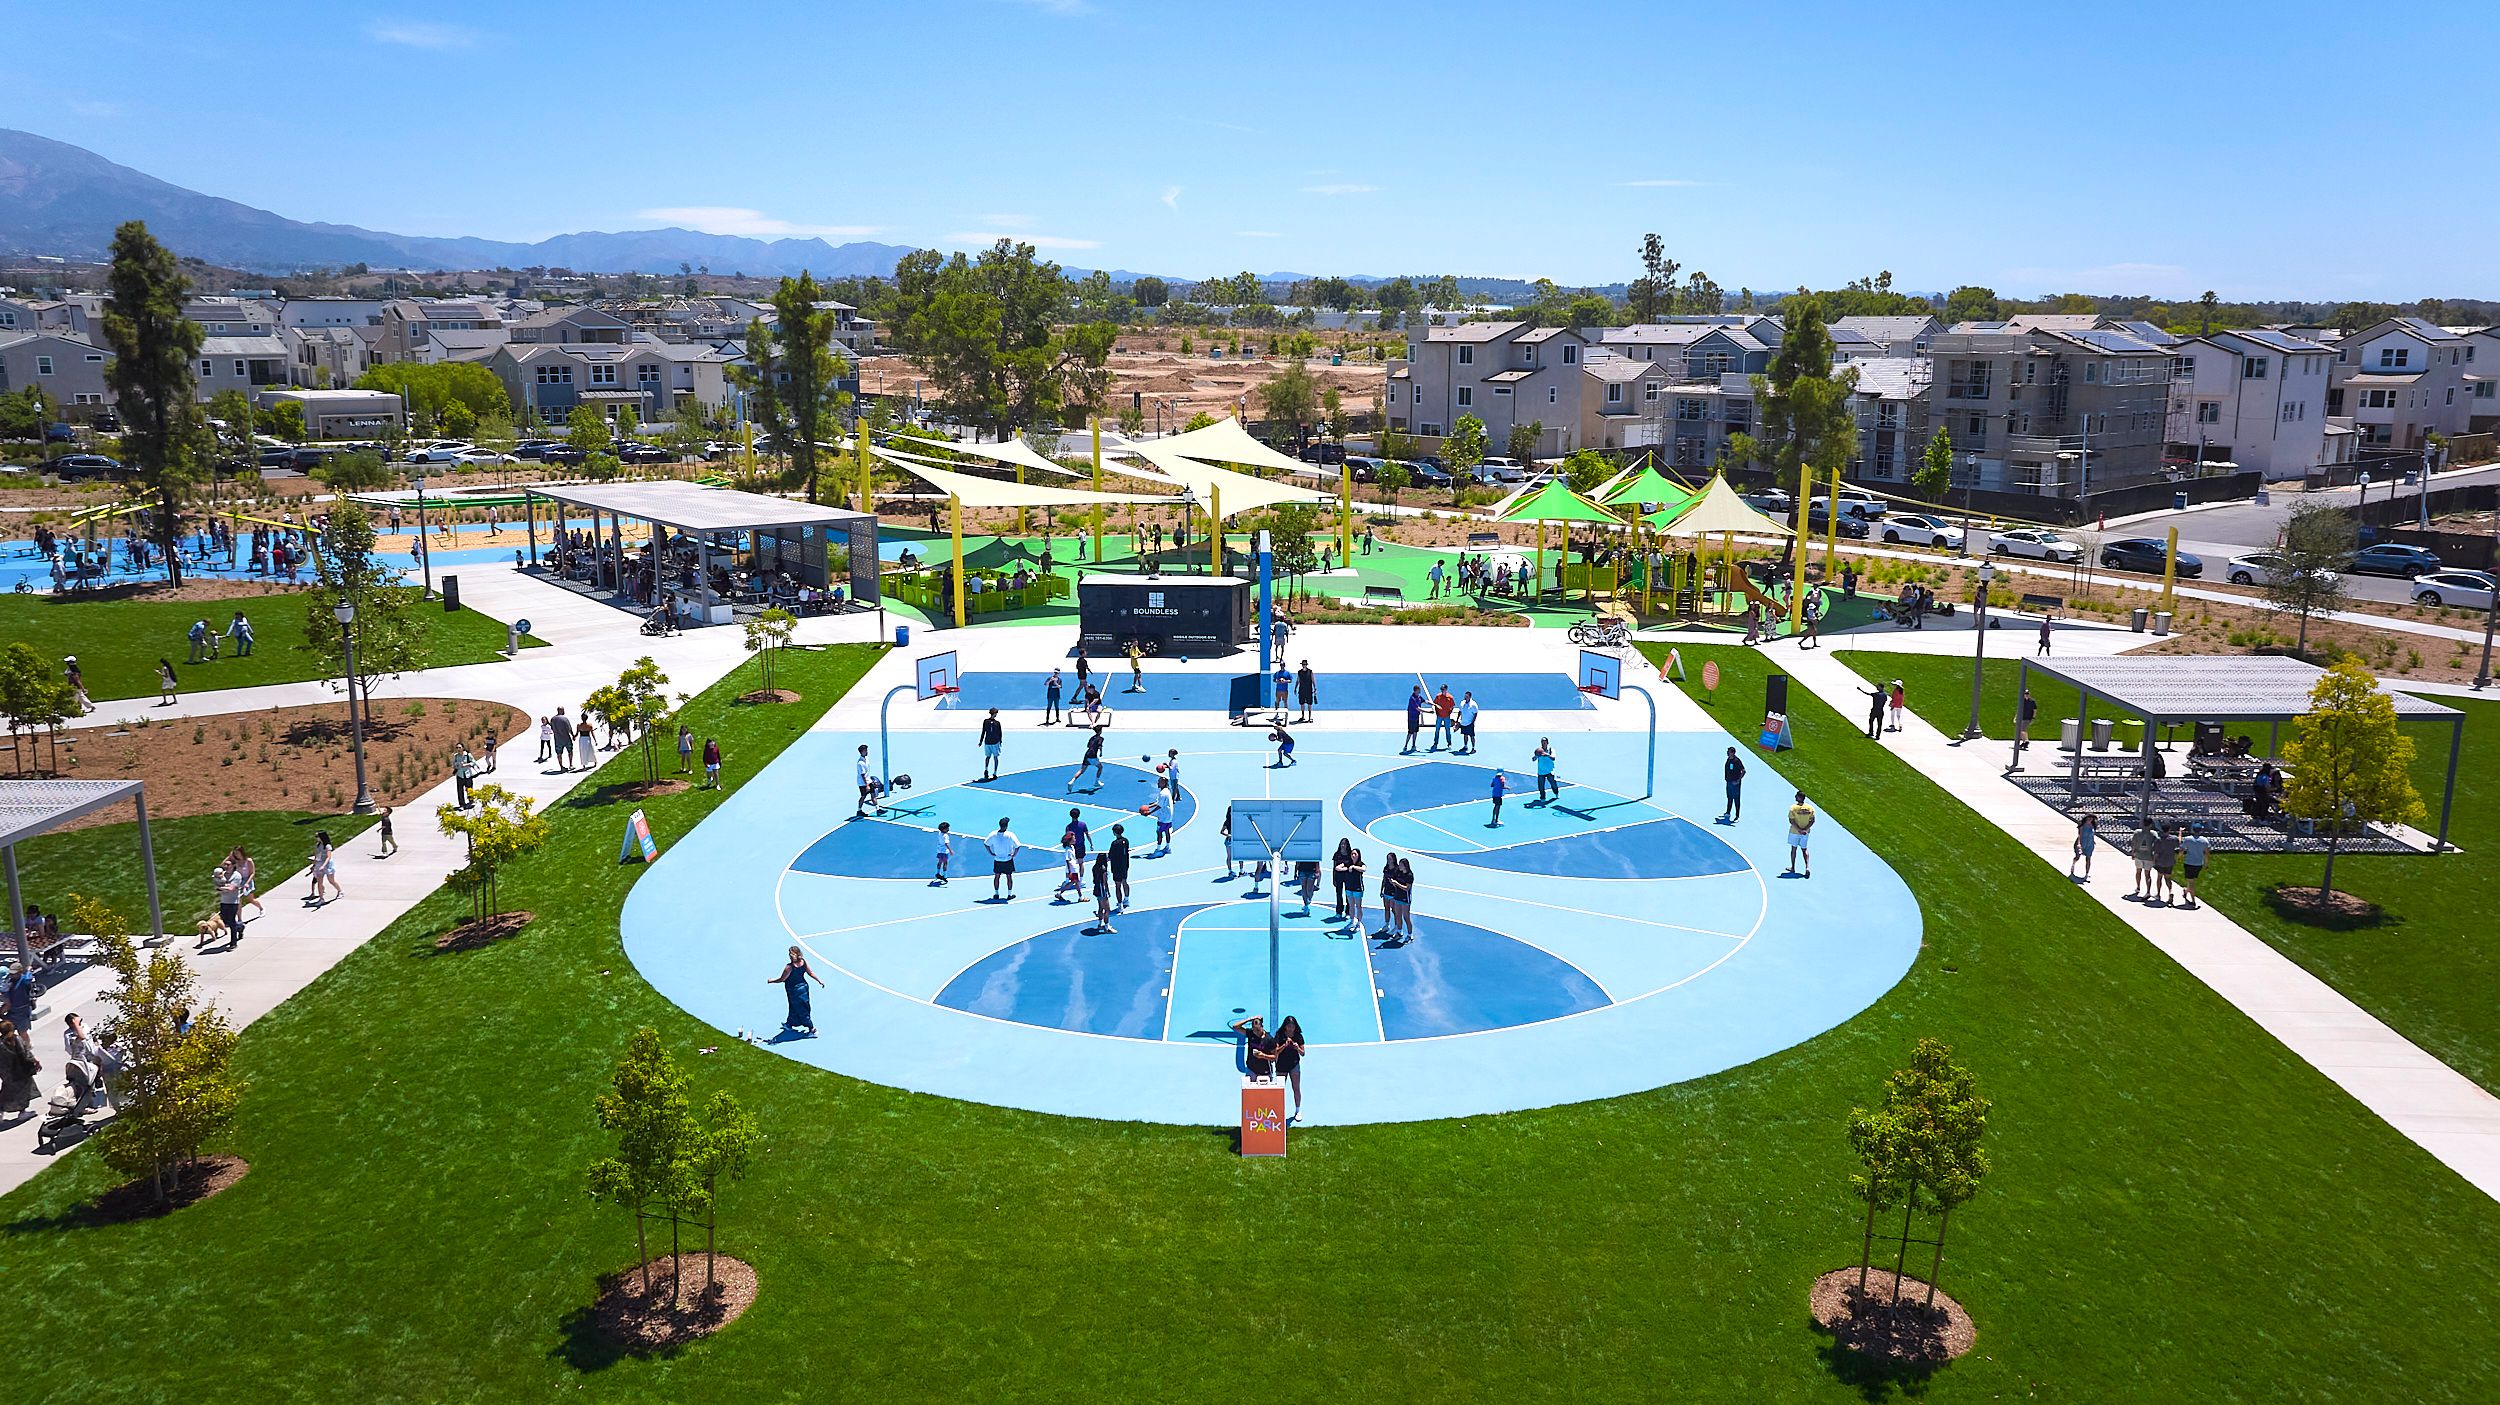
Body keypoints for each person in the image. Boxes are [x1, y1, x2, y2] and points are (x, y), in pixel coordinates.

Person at [769, 945, 823, 1036]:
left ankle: (812, 1029)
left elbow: (782, 979)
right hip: (804, 988)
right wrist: (819, 980)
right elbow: (811, 972)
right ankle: (789, 1024)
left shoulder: (789, 967)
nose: (789, 955)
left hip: (794, 990)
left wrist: (772, 981)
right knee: (794, 1007)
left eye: (791, 954)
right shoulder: (803, 962)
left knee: (802, 1009)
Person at [0, 1019, 39, 1123]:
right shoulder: (17, 1039)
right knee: (24, 1092)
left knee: (6, 1092)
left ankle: (1, 1111)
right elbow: (27, 1054)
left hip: (7, 1073)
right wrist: (36, 1061)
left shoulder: (1, 1044)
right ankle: (22, 1112)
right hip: (22, 1071)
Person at [1270, 1014, 1306, 1118]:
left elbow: (1303, 1053)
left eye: (1293, 1026)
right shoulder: (1280, 1035)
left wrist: (1297, 1047)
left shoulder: (1298, 1036)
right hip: (1281, 1066)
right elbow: (1276, 1052)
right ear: (1285, 1026)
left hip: (1294, 1065)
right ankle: (1277, 1111)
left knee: (1296, 1088)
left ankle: (1298, 1110)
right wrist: (1284, 1045)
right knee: (1280, 1089)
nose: (1291, 1028)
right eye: (1289, 1026)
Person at [986, 819, 1023, 899]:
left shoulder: (993, 834)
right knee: (1009, 877)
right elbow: (1018, 846)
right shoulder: (1010, 835)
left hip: (997, 860)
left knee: (997, 876)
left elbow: (986, 844)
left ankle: (996, 894)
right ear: (1006, 826)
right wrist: (1014, 854)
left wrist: (991, 852)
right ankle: (1009, 895)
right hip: (1008, 860)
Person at [1231, 1016, 1276, 1080]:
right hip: (1251, 1069)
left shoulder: (1269, 1039)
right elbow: (1235, 1027)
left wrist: (1263, 1056)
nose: (1256, 1032)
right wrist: (1249, 1019)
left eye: (1258, 1029)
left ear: (1262, 1027)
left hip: (1264, 1071)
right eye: (1254, 1029)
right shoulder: (1250, 1033)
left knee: (1263, 1090)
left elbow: (1274, 1057)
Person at [1381, 852, 1412, 942]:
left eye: (1401, 865)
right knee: (1398, 915)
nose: (1400, 866)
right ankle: (1399, 932)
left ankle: (1410, 935)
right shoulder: (1398, 873)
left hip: (1405, 898)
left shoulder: (1409, 875)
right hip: (1397, 897)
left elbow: (1407, 888)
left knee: (1406, 917)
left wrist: (1396, 884)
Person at [1785, 790, 1816, 877]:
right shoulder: (1810, 808)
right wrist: (1805, 829)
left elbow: (1791, 821)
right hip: (1805, 833)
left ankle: (1793, 867)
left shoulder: (1793, 808)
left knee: (1794, 849)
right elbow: (1812, 820)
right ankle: (1807, 867)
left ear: (1799, 797)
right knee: (1804, 849)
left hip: (1795, 832)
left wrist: (1799, 829)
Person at [2179, 824, 2210, 908]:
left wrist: (2179, 857)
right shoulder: (2205, 841)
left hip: (2189, 863)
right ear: (2200, 831)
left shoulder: (2188, 839)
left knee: (2191, 882)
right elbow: (2207, 853)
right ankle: (2186, 891)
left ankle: (2193, 901)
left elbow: (2182, 849)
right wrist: (2206, 863)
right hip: (2198, 864)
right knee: (2191, 881)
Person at [307, 829, 340, 904]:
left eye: (317, 836)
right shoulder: (318, 845)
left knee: (331, 881)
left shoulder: (327, 846)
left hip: (327, 864)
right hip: (319, 864)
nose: (316, 838)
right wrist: (314, 865)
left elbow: (328, 857)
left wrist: (323, 866)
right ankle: (321, 899)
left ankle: (340, 891)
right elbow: (317, 856)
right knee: (319, 883)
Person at [1068, 726, 1106, 791]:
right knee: (1100, 767)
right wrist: (1101, 752)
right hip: (1092, 756)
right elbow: (1099, 745)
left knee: (1082, 770)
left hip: (1087, 755)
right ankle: (1096, 782)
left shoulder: (1091, 738)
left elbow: (1088, 746)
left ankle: (1072, 781)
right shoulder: (1101, 738)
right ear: (1100, 731)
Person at [2152, 825, 2181, 906]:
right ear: (2169, 830)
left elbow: (2156, 852)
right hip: (2170, 861)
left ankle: (2158, 894)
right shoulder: (2173, 839)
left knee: (2159, 877)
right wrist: (2180, 832)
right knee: (2168, 878)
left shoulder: (2159, 840)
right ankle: (2170, 891)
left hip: (2160, 861)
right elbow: (2179, 842)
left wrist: (2153, 861)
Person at [2129, 822, 2158, 900]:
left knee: (2138, 871)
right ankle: (2148, 891)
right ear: (2150, 824)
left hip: (2139, 855)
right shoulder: (2153, 833)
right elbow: (2156, 844)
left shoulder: (2137, 832)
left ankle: (2138, 887)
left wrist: (2133, 853)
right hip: (2149, 856)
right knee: (2147, 874)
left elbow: (2133, 843)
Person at [1341, 847, 1367, 933]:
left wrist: (1354, 867)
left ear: (1358, 855)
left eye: (1355, 854)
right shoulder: (1348, 863)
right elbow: (1338, 867)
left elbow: (1364, 869)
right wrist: (1345, 868)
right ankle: (1352, 921)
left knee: (1358, 906)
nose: (1353, 855)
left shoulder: (1360, 864)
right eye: (1352, 854)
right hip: (1349, 887)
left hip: (1358, 888)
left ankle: (1358, 923)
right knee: (1351, 906)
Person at [976, 707, 1005, 781]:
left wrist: (981, 742)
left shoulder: (986, 721)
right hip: (994, 743)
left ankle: (987, 769)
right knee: (995, 757)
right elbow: (1000, 733)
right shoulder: (997, 723)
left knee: (988, 757)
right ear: (995, 714)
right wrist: (1000, 741)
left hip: (988, 743)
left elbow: (983, 732)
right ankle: (994, 773)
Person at [1330, 837, 1355, 920]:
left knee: (1348, 894)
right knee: (1339, 894)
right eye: (1342, 844)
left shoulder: (1350, 855)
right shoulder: (1337, 854)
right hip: (1339, 877)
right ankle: (1339, 912)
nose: (1343, 845)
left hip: (1348, 877)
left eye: (1344, 844)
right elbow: (1334, 867)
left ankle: (1348, 912)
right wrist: (1334, 879)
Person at [1091, 852, 1117, 932]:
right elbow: (1105, 883)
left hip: (1096, 889)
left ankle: (1100, 924)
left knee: (1100, 907)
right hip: (1102, 890)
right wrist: (1108, 892)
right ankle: (1107, 927)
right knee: (1107, 909)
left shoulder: (1094, 867)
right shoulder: (1103, 869)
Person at [1108, 824, 1132, 909]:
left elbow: (1110, 856)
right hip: (1124, 865)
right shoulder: (1126, 841)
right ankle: (1127, 899)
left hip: (1116, 867)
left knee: (1118, 886)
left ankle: (1120, 904)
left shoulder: (1114, 844)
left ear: (1114, 832)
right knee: (1124, 882)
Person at [1721, 746, 1746, 823]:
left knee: (1736, 799)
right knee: (1729, 797)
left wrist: (1738, 780)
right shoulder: (1729, 759)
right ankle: (1728, 812)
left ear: (1732, 753)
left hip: (1735, 783)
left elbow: (1743, 771)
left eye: (1728, 752)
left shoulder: (1737, 761)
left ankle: (1737, 816)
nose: (1727, 753)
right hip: (1729, 782)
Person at [2071, 814, 2098, 880]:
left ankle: (2087, 874)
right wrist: (2079, 844)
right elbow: (2080, 835)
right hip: (2082, 843)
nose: (2090, 819)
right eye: (2089, 818)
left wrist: (2093, 841)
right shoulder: (2082, 826)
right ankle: (2073, 864)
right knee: (2078, 857)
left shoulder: (2093, 826)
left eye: (2091, 818)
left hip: (2089, 844)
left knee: (2088, 858)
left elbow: (2092, 834)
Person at [1532, 738, 1558, 803]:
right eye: (1542, 742)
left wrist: (1547, 755)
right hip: (1541, 771)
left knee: (1553, 784)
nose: (1543, 743)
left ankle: (1556, 792)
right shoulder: (1539, 751)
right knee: (1541, 786)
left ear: (1547, 742)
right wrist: (1536, 756)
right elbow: (1533, 759)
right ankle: (1542, 797)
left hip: (1550, 770)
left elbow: (1553, 758)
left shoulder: (1551, 750)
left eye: (1544, 742)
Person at [1431, 684, 1457, 751]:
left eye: (1443, 689)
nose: (1442, 690)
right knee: (1437, 730)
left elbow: (1452, 706)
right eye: (1441, 689)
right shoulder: (1438, 696)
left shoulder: (1450, 697)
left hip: (1446, 717)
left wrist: (1449, 714)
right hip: (1439, 716)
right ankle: (1435, 743)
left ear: (1446, 689)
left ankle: (1449, 744)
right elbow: (1435, 704)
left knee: (1447, 730)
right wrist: (1437, 713)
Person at [855, 744, 877, 816]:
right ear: (861, 752)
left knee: (873, 794)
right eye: (865, 750)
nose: (867, 752)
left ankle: (878, 809)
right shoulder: (860, 763)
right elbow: (862, 775)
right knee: (863, 796)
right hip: (863, 783)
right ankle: (859, 811)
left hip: (868, 780)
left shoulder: (866, 758)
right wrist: (867, 785)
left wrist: (870, 780)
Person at [453, 743, 476, 809]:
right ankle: (462, 804)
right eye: (457, 748)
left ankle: (471, 801)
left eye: (459, 747)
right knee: (460, 790)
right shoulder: (456, 756)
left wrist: (466, 764)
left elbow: (473, 762)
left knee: (469, 789)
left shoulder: (468, 755)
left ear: (463, 748)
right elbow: (453, 764)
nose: (458, 749)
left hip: (468, 774)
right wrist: (457, 764)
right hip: (460, 775)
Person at [1404, 685, 1425, 754]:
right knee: (1410, 732)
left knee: (1415, 732)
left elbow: (1425, 701)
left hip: (1416, 718)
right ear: (1416, 690)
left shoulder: (1419, 697)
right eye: (1419, 689)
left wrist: (1434, 704)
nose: (1420, 691)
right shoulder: (1412, 698)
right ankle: (1405, 746)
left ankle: (1413, 746)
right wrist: (1428, 712)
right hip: (1411, 718)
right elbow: (1418, 708)